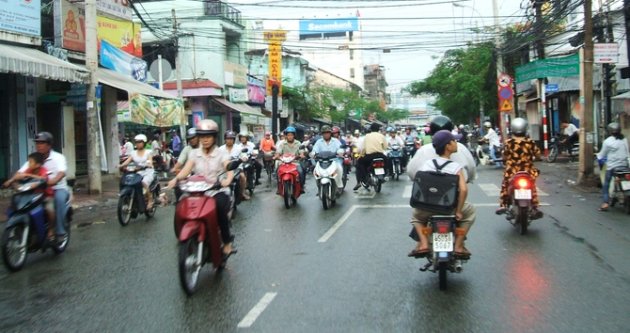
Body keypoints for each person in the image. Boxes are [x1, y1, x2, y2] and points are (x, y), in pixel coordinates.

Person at [167, 120, 236, 258]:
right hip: (197, 190)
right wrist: (175, 179)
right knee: (181, 204)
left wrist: (227, 179)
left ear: (214, 137)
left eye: (208, 136)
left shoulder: (221, 153)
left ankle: (227, 242)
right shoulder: (194, 154)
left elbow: (228, 167)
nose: (205, 140)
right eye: (202, 136)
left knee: (220, 208)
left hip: (217, 190)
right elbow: (186, 170)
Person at [408, 130, 475, 258]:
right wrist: (459, 211)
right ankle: (459, 246)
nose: (456, 143)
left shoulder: (426, 165)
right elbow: (464, 190)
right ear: (448, 146)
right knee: (470, 212)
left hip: (426, 208)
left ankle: (423, 244)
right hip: (448, 208)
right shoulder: (455, 167)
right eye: (454, 141)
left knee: (416, 218)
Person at [7, 132, 70, 242]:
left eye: (42, 143)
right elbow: (21, 172)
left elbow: (61, 172)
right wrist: (12, 181)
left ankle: (59, 232)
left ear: (49, 145)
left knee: (58, 201)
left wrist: (54, 180)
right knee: (21, 202)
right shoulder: (34, 159)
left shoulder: (58, 157)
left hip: (57, 188)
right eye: (37, 143)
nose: (38, 145)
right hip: (37, 188)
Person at [495, 118, 543, 219]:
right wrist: (537, 158)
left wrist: (506, 159)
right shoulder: (530, 142)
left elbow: (504, 157)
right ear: (525, 129)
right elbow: (538, 155)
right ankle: (535, 207)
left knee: (505, 185)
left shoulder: (508, 143)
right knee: (532, 187)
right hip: (527, 170)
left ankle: (503, 205)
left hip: (512, 171)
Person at [407, 115, 477, 184]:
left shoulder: (423, 150)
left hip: (429, 190)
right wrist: (467, 179)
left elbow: (411, 171)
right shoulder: (460, 148)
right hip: (456, 190)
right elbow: (471, 168)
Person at [3, 152, 56, 241]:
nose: (29, 164)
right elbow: (18, 176)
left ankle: (51, 229)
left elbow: (43, 178)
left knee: (49, 208)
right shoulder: (29, 170)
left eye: (31, 162)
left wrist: (28, 175)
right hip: (32, 195)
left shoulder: (43, 170)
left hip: (45, 195)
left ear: (38, 164)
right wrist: (10, 181)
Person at [596, 122, 629, 211]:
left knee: (606, 184)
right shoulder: (624, 139)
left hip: (612, 167)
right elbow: (627, 152)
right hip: (624, 165)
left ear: (609, 131)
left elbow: (602, 155)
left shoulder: (607, 142)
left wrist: (597, 156)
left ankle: (605, 203)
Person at [119, 134, 155, 210]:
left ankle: (150, 199)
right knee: (126, 181)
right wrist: (121, 165)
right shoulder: (133, 153)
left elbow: (149, 161)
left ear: (144, 143)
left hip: (147, 172)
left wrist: (148, 164)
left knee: (143, 182)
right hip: (137, 172)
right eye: (137, 142)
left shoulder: (148, 152)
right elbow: (127, 161)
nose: (138, 144)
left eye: (140, 142)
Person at [354, 123, 388, 191]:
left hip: (370, 156)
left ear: (370, 129)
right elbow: (385, 147)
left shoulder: (367, 136)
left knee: (359, 163)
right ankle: (385, 175)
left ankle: (362, 180)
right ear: (378, 129)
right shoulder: (381, 136)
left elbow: (363, 148)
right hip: (380, 155)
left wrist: (360, 154)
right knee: (388, 162)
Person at [312, 125, 344, 195]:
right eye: (324, 133)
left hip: (334, 161)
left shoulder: (336, 141)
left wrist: (340, 152)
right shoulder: (318, 142)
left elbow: (340, 148)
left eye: (328, 133)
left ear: (330, 133)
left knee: (339, 169)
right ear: (322, 134)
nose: (326, 134)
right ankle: (319, 187)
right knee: (315, 172)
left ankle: (339, 186)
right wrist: (313, 153)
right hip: (321, 162)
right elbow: (314, 150)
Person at [220, 130, 249, 201]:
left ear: (234, 140)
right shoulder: (220, 149)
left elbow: (244, 155)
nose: (229, 140)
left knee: (242, 177)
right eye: (228, 139)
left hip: (237, 168)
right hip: (225, 169)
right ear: (225, 139)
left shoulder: (238, 148)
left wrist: (244, 158)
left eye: (231, 139)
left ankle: (242, 193)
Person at [274, 126, 306, 193]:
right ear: (286, 136)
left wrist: (302, 155)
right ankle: (279, 187)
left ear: (294, 135)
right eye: (288, 135)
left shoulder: (298, 143)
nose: (290, 136)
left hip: (295, 162)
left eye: (291, 135)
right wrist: (276, 156)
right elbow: (278, 152)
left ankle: (301, 186)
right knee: (277, 171)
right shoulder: (282, 144)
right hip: (284, 163)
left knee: (301, 171)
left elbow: (301, 152)